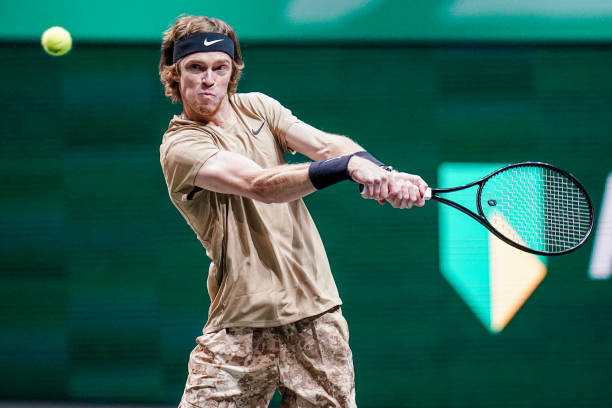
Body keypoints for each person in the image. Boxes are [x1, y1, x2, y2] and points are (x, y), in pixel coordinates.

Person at [158, 15, 428, 408]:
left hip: (317, 319)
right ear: (174, 73)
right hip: (240, 328)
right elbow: (259, 185)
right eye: (195, 68)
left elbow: (325, 145)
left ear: (232, 71)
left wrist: (385, 173)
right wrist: (350, 168)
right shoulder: (181, 146)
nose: (208, 79)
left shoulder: (258, 108)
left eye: (220, 68)